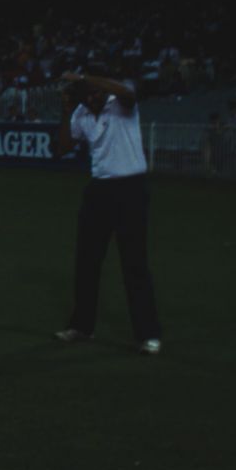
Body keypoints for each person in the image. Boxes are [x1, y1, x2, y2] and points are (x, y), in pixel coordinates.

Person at [54, 69, 161, 353]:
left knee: (134, 263)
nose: (94, 98)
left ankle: (148, 334)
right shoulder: (81, 114)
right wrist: (66, 111)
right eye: (88, 95)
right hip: (100, 189)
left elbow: (127, 91)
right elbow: (62, 148)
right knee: (87, 262)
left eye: (96, 92)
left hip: (131, 188)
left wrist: (84, 79)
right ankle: (82, 326)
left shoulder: (120, 102)